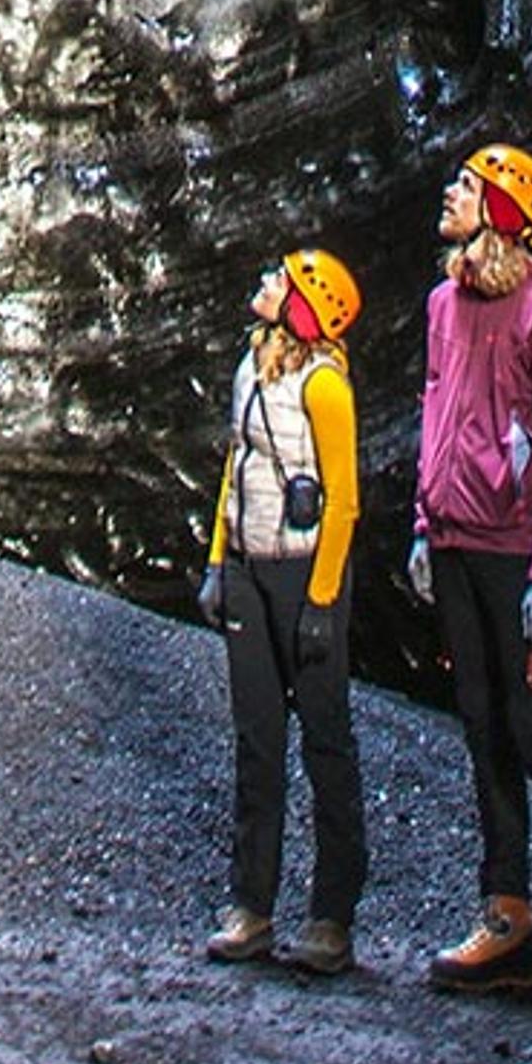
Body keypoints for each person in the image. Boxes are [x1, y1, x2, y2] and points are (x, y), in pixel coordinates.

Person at [411, 139, 532, 1015]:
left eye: (465, 184)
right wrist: (423, 525)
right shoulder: (441, 304)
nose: (449, 193)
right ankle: (506, 917)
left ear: (500, 207)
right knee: (482, 728)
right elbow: (433, 407)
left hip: (513, 549)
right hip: (455, 539)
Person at [198, 247, 366, 973]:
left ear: (305, 304)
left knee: (326, 743)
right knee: (256, 741)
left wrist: (324, 599)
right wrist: (216, 561)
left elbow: (346, 498)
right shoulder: (250, 366)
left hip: (304, 574)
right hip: (248, 566)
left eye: (281, 280)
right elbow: (235, 464)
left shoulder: (325, 386)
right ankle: (252, 905)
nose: (264, 283)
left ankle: (331, 915)